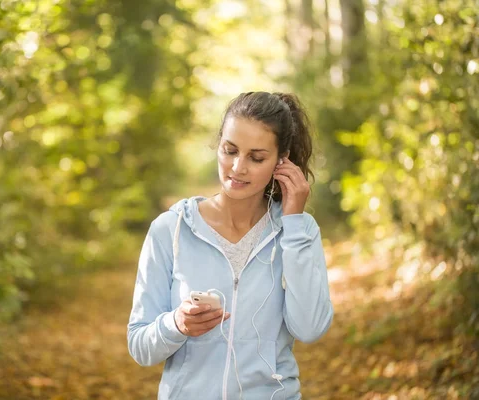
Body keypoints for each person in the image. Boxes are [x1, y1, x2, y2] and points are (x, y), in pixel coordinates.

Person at [127, 91, 333, 400]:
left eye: (256, 157)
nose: (237, 168)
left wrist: (293, 224)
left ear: (282, 160)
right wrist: (177, 324)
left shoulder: (298, 232)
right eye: (230, 150)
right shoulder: (170, 230)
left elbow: (311, 328)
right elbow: (140, 346)